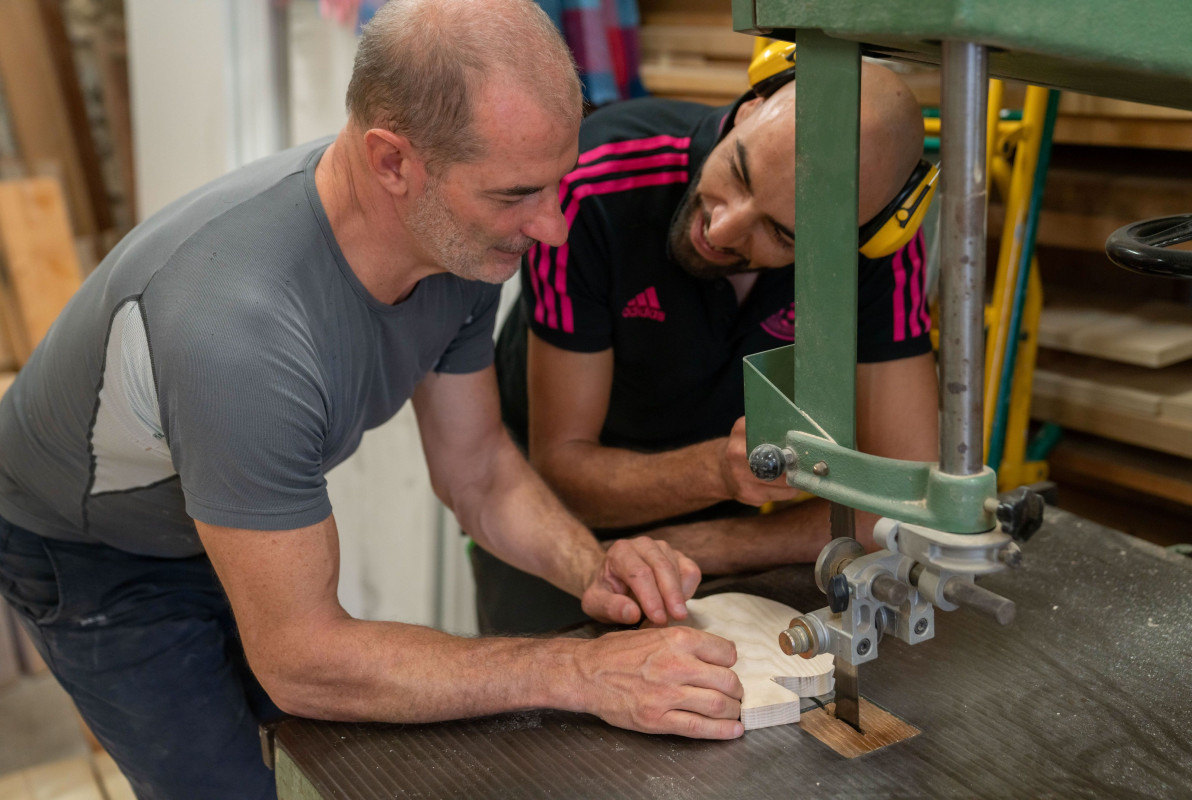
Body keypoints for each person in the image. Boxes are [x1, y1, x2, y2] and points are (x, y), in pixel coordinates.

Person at [0, 2, 749, 798]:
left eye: (556, 182)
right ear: (392, 161)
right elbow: (301, 661)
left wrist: (591, 568)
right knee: (236, 785)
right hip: (91, 545)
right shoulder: (242, 332)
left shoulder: (455, 247)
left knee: (328, 764)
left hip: (209, 503)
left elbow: (478, 469)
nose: (553, 228)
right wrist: (581, 670)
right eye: (516, 194)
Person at [475, 59, 941, 635]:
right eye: (739, 173)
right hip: (548, 525)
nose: (720, 229)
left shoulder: (874, 254)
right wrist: (715, 472)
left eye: (781, 233)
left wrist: (708, 543)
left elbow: (903, 502)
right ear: (749, 109)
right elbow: (562, 468)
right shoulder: (592, 184)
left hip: (722, 528)